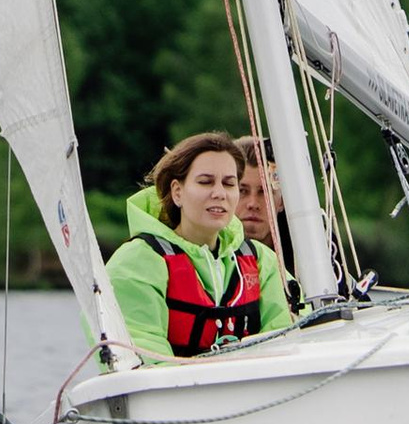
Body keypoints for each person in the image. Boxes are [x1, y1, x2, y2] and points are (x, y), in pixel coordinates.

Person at [105, 131, 295, 364]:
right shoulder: (135, 263)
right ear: (178, 192)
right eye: (205, 182)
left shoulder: (261, 262)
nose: (219, 194)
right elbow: (141, 357)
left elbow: (290, 339)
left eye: (229, 183)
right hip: (175, 396)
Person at [230, 133, 300, 307]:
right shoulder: (205, 254)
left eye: (264, 192)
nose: (253, 203)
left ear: (283, 201)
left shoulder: (307, 254)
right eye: (242, 191)